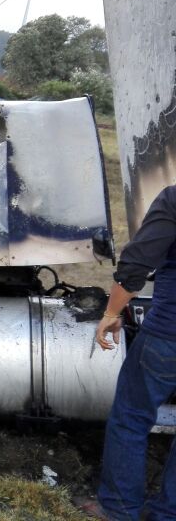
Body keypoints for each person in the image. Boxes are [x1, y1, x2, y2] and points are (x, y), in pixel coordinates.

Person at [91, 185, 176, 521]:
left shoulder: (173, 199)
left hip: (168, 334)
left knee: (131, 418)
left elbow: (137, 262)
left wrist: (111, 314)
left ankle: (119, 509)